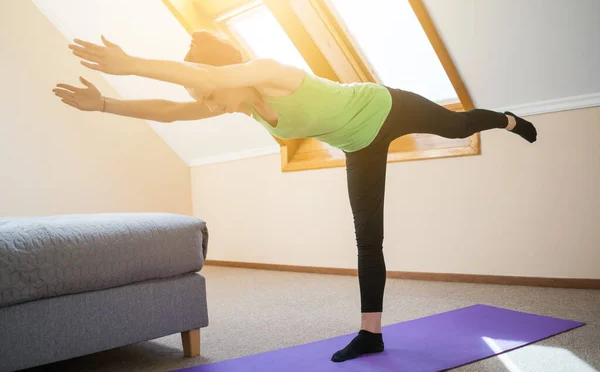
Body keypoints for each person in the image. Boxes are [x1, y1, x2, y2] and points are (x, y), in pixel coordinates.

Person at [53, 30, 537, 363]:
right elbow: (173, 111)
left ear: (228, 76)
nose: (205, 101)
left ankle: (507, 119)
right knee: (368, 239)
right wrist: (105, 104)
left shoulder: (268, 71)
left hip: (386, 105)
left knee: (455, 127)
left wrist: (132, 64)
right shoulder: (243, 107)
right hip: (358, 143)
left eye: (209, 88)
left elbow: (204, 82)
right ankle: (371, 335)